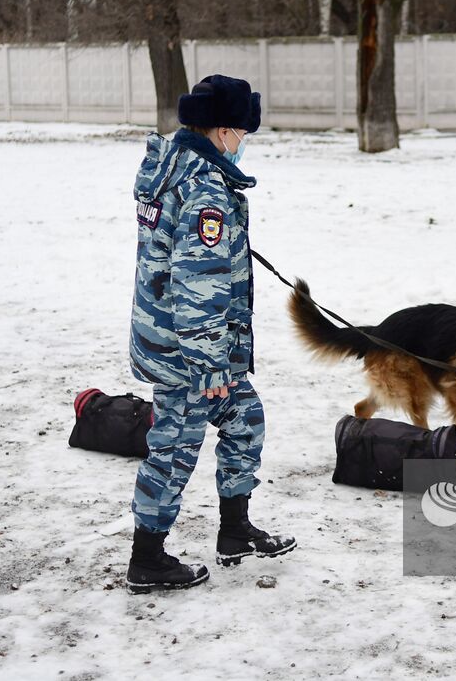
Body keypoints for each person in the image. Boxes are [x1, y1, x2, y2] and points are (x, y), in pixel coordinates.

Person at [125, 74, 295, 593]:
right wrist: (210, 364)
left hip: (179, 339)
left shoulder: (177, 165)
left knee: (245, 418)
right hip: (188, 352)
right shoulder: (202, 187)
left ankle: (234, 530)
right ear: (222, 130)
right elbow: (196, 283)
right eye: (241, 133)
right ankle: (147, 559)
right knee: (174, 447)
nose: (242, 144)